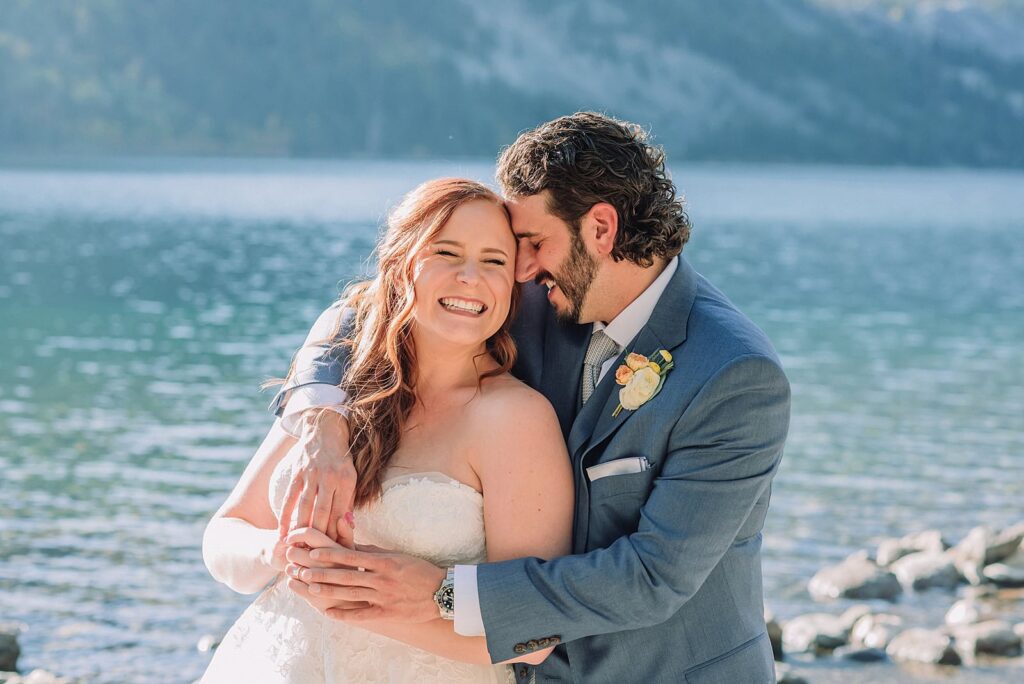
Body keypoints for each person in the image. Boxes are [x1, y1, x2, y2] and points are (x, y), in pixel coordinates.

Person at [278, 113, 791, 683]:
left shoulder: (735, 376)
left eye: (533, 242)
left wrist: (446, 593)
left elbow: (652, 578)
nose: (519, 266)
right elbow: (361, 310)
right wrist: (322, 422)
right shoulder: (539, 294)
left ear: (601, 229)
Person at [200, 178, 574, 682]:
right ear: (402, 264)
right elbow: (223, 539)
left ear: (513, 287)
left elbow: (534, 638)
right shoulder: (333, 397)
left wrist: (364, 604)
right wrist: (277, 553)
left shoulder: (515, 419)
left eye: (494, 261)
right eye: (447, 252)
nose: (470, 277)